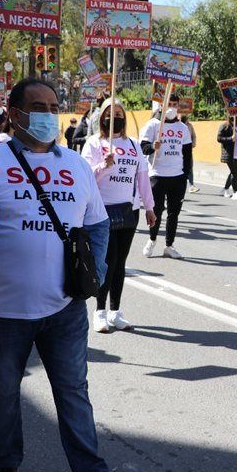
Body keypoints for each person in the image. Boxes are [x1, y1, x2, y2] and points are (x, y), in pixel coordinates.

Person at [0, 78, 111, 472]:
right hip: (5, 312)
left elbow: (99, 225)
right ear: (15, 115)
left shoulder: (76, 165)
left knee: (73, 394)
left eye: (54, 107)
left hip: (65, 308)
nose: (49, 115)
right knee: (2, 397)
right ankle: (5, 465)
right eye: (39, 108)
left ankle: (90, 468)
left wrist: (96, 274)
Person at [82, 98, 156, 334]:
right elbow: (85, 180)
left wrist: (150, 207)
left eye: (119, 113)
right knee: (107, 262)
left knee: (120, 263)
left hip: (127, 211)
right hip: (101, 211)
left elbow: (142, 177)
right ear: (102, 117)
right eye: (110, 113)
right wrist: (103, 166)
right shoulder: (93, 143)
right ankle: (99, 311)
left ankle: (115, 311)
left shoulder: (133, 145)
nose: (115, 117)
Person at [139, 96, 193, 259]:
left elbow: (187, 153)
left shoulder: (183, 128)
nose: (172, 107)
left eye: (175, 105)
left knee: (173, 213)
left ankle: (169, 245)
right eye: (169, 104)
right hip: (157, 175)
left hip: (177, 177)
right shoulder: (152, 125)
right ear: (161, 106)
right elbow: (143, 148)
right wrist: (152, 147)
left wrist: (185, 175)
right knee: (156, 210)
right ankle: (152, 239)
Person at [217, 116, 237, 200]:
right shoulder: (225, 126)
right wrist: (230, 139)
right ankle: (235, 192)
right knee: (235, 173)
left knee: (233, 172)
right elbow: (219, 138)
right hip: (230, 153)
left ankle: (225, 189)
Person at [182, 114, 200, 193]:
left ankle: (191, 185)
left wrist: (193, 144)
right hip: (179, 150)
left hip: (188, 149)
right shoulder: (178, 125)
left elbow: (194, 136)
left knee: (190, 166)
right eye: (187, 117)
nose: (188, 118)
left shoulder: (189, 126)